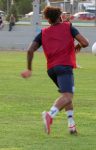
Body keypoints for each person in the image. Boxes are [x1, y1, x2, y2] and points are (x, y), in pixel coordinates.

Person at [21, 6, 89, 135]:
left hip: (51, 69)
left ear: (48, 20)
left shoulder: (43, 32)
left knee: (67, 96)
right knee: (67, 96)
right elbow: (85, 43)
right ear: (60, 16)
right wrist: (79, 45)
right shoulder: (68, 27)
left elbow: (30, 50)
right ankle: (50, 115)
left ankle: (71, 125)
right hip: (64, 67)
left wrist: (29, 69)